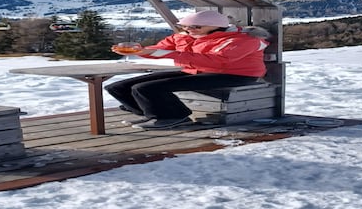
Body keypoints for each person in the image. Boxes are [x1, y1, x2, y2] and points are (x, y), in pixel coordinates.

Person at [105, 10, 271, 129]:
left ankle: (175, 116)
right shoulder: (185, 36)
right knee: (118, 88)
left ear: (214, 26)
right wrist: (140, 50)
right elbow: (160, 48)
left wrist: (169, 54)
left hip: (235, 75)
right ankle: (151, 114)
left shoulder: (244, 40)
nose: (189, 29)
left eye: (195, 26)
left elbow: (220, 61)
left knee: (145, 89)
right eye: (185, 26)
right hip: (197, 70)